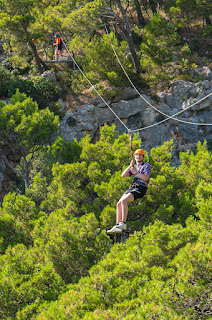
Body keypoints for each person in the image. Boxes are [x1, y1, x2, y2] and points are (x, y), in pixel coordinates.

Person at [107, 149, 151, 234]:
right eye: (137, 155)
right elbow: (123, 175)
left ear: (143, 157)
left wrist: (136, 173)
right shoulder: (133, 167)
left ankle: (123, 223)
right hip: (133, 187)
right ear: (134, 156)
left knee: (124, 201)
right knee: (119, 203)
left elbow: (145, 178)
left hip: (141, 187)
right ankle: (117, 225)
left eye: (140, 155)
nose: (138, 157)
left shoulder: (146, 165)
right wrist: (130, 166)